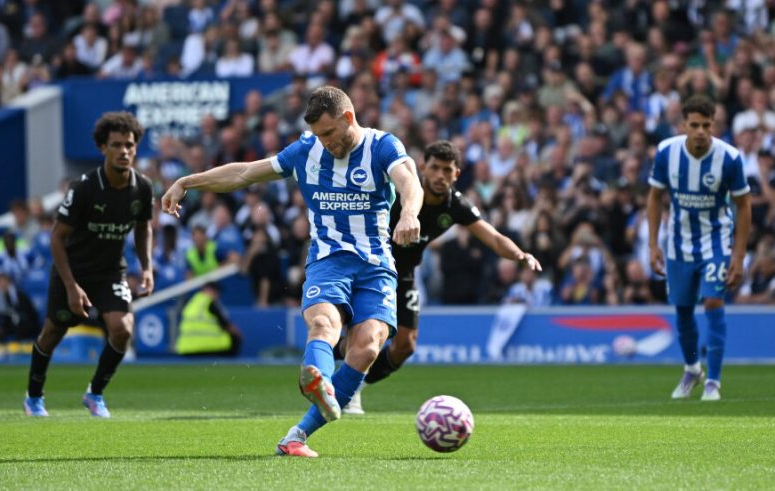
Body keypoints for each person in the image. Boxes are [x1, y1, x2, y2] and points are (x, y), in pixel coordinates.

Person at [161, 86, 423, 457]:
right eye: (319, 134)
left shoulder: (382, 146)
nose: (325, 142)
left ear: (348, 118)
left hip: (376, 264)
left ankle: (296, 436)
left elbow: (409, 181)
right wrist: (187, 181)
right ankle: (319, 380)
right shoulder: (306, 150)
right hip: (328, 260)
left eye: (329, 132)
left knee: (366, 347)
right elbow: (244, 173)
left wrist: (409, 213)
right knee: (324, 324)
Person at [336, 140, 541, 414]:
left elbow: (493, 237)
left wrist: (520, 255)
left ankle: (354, 380)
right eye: (434, 168)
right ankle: (339, 374)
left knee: (405, 345)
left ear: (457, 174)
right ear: (422, 167)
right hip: (370, 269)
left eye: (447, 170)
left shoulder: (456, 205)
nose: (440, 175)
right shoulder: (401, 193)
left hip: (404, 274)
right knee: (366, 335)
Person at [23, 112, 154, 417]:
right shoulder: (84, 188)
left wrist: (147, 267)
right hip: (73, 270)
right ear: (103, 148)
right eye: (116, 145)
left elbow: (143, 227)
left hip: (110, 272)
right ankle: (34, 396)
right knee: (52, 334)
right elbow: (57, 238)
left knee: (122, 330)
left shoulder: (143, 187)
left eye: (129, 145)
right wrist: (71, 287)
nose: (124, 151)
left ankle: (95, 393)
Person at [647, 95, 751, 402]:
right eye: (695, 125)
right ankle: (693, 369)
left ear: (714, 126)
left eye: (707, 125)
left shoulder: (729, 158)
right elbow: (654, 197)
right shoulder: (666, 152)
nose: (701, 131)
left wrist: (738, 256)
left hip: (716, 241)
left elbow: (744, 205)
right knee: (683, 310)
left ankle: (713, 382)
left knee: (713, 302)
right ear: (684, 126)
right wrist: (653, 245)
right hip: (678, 244)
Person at [175, 282, 242, 356]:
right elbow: (226, 325)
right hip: (209, 347)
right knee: (235, 337)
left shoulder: (191, 302)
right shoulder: (210, 303)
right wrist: (238, 333)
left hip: (186, 348)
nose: (218, 295)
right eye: (216, 292)